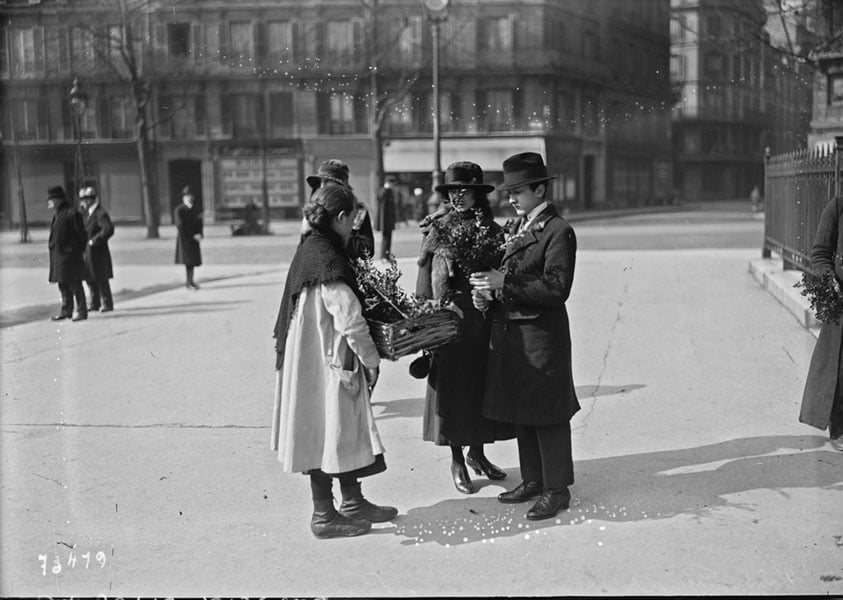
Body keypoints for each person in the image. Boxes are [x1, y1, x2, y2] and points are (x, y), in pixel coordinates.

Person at [271, 185, 397, 539]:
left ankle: (352, 501)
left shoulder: (311, 248)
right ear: (340, 218)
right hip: (327, 359)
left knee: (332, 430)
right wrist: (371, 361)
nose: (354, 227)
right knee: (325, 432)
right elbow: (349, 319)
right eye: (352, 219)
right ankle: (324, 516)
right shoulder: (328, 259)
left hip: (309, 358)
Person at [469, 152, 580, 521]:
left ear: (539, 189)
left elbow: (557, 288)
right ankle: (533, 480)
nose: (511, 198)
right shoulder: (517, 227)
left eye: (518, 191)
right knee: (523, 411)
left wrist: (506, 283)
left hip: (541, 335)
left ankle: (557, 488)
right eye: (509, 191)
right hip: (515, 334)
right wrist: (489, 294)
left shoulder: (558, 230)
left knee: (547, 413)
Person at [416, 161, 515, 494]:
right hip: (452, 319)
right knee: (455, 389)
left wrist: (491, 294)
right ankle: (457, 460)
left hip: (484, 317)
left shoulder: (492, 228)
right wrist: (430, 319)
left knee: (482, 387)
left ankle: (478, 454)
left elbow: (502, 270)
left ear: (478, 194)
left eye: (465, 191)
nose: (459, 197)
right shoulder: (438, 230)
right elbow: (425, 283)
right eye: (453, 191)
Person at [799, 195, 843, 452]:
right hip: (842, 302)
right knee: (839, 368)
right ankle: (839, 427)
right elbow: (820, 254)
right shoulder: (838, 207)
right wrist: (830, 280)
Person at [305, 159, 374, 261]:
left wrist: (339, 235)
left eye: (328, 182)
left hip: (345, 269)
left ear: (341, 186)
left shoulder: (357, 211)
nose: (322, 186)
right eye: (321, 182)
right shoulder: (315, 209)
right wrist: (305, 232)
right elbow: (304, 249)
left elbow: (367, 249)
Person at [46, 185, 88, 322]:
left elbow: (82, 236)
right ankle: (66, 310)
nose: (49, 203)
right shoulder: (58, 214)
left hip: (70, 257)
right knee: (62, 284)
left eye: (50, 200)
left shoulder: (71, 213)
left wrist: (73, 251)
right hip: (59, 257)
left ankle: (81, 311)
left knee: (75, 284)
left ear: (58, 200)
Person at [78, 186, 115, 313]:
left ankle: (107, 303)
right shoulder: (87, 214)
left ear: (90, 200)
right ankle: (94, 303)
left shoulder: (100, 213)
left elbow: (108, 229)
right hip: (88, 252)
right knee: (90, 278)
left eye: (83, 200)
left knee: (101, 278)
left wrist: (94, 240)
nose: (82, 202)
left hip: (98, 252)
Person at [174, 186, 203, 290]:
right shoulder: (179, 210)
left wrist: (200, 234)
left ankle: (190, 281)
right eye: (187, 196)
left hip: (195, 239)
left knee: (193, 261)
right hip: (185, 239)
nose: (189, 198)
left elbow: (200, 224)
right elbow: (180, 225)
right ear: (183, 198)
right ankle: (188, 282)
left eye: (191, 196)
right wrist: (192, 235)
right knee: (188, 261)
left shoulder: (196, 210)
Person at [375, 176, 397, 259]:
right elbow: (383, 210)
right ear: (390, 183)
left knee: (387, 238)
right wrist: (382, 223)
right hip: (386, 221)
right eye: (393, 184)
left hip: (387, 221)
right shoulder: (386, 192)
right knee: (386, 239)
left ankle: (385, 256)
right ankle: (384, 256)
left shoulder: (385, 192)